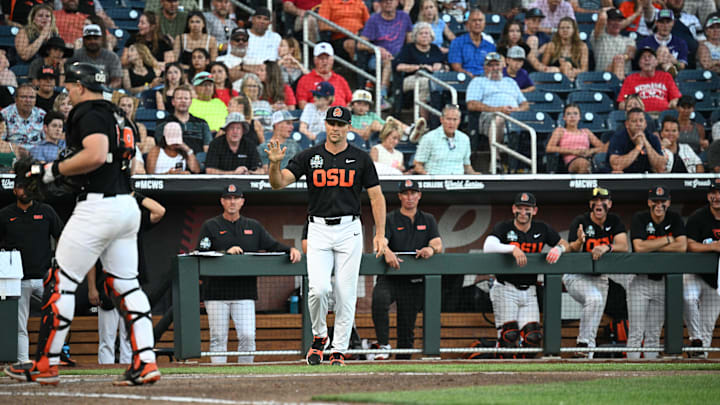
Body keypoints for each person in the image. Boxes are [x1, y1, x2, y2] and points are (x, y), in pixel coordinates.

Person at [4, 62, 160, 386]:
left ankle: (45, 364)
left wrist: (52, 170)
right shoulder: (119, 114)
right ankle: (146, 361)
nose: (66, 92)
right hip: (125, 205)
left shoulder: (89, 111)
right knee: (126, 285)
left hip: (98, 208)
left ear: (79, 86)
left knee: (59, 283)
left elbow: (96, 154)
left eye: (69, 86)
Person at [266, 105, 388, 366]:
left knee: (346, 293)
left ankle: (339, 350)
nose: (335, 128)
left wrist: (380, 234)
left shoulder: (361, 157)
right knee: (318, 290)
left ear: (348, 127)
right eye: (331, 123)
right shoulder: (310, 155)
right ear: (325, 125)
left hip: (349, 228)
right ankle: (320, 337)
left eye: (341, 124)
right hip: (318, 227)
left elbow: (377, 197)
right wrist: (274, 165)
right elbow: (277, 183)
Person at [197, 184, 301, 363]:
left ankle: (245, 373)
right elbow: (200, 252)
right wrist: (225, 253)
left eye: (236, 198)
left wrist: (290, 249)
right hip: (215, 292)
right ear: (222, 201)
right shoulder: (211, 226)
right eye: (228, 198)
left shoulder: (253, 226)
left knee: (247, 335)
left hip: (244, 291)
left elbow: (272, 245)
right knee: (218, 337)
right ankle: (217, 376)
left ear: (242, 201)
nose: (232, 202)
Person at [482, 192, 569, 357]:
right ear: (514, 209)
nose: (523, 212)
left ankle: (523, 377)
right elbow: (488, 246)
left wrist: (559, 249)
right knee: (509, 336)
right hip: (505, 287)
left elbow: (564, 243)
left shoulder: (542, 228)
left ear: (534, 210)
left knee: (533, 336)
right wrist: (512, 248)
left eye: (527, 208)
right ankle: (501, 376)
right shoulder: (504, 227)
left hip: (529, 291)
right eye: (520, 208)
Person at [88, 192, 166, 365]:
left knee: (128, 334)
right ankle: (105, 373)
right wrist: (92, 288)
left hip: (131, 283)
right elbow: (92, 259)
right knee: (107, 337)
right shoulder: (101, 224)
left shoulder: (134, 222)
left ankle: (128, 368)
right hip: (105, 285)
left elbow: (159, 211)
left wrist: (136, 196)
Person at [370, 179, 442, 360]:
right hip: (391, 277)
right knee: (379, 300)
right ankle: (383, 345)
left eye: (413, 193)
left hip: (413, 281)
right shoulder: (391, 218)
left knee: (407, 327)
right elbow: (381, 241)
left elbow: (437, 243)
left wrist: (430, 249)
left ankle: (403, 366)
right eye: (406, 193)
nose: (409, 197)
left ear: (419, 196)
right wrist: (386, 251)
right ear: (400, 196)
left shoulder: (428, 219)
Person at [0, 167, 63, 364]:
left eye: (28, 187)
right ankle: (23, 360)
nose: (24, 191)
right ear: (14, 190)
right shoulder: (5, 215)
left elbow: (61, 236)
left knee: (58, 315)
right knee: (20, 324)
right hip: (17, 279)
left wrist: (59, 263)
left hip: (45, 276)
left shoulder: (46, 211)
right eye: (21, 187)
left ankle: (53, 358)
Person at [565, 187, 629, 358]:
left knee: (596, 311)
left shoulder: (614, 221)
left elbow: (624, 245)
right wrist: (579, 241)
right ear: (590, 204)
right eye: (596, 200)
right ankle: (582, 344)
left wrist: (607, 247)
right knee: (594, 299)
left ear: (609, 204)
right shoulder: (581, 221)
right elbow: (571, 249)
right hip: (576, 275)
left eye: (603, 200)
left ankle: (586, 354)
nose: (599, 204)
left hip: (600, 278)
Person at [628, 186, 687, 359]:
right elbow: (639, 247)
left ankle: (649, 376)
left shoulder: (674, 218)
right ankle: (629, 375)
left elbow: (682, 246)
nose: (659, 205)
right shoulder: (640, 218)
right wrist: (668, 240)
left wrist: (652, 246)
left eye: (663, 201)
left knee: (654, 333)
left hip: (663, 282)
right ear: (649, 202)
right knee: (636, 332)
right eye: (655, 201)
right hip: (640, 282)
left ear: (668, 202)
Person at [683, 181, 720, 358]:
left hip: (716, 279)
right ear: (708, 196)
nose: (717, 197)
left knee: (708, 324)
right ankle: (695, 338)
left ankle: (699, 361)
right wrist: (713, 246)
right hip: (696, 274)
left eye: (719, 193)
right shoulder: (698, 217)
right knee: (688, 298)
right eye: (713, 193)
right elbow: (689, 245)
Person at [466, 52, 529, 148]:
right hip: (490, 116)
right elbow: (471, 105)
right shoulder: (478, 81)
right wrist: (498, 109)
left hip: (515, 115)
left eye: (497, 65)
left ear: (502, 66)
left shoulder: (510, 82)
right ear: (484, 68)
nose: (495, 68)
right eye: (490, 65)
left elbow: (525, 104)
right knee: (499, 119)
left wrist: (517, 110)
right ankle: (496, 158)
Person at [359, 0, 413, 104]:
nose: (388, 2)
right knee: (389, 62)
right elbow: (361, 44)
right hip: (377, 58)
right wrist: (377, 49)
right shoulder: (374, 19)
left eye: (391, 0)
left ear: (397, 2)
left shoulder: (404, 17)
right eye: (384, 1)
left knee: (395, 62)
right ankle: (382, 97)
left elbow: (410, 40)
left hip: (400, 56)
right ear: (380, 3)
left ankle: (393, 97)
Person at [394, 22, 446, 119]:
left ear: (431, 36)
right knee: (425, 83)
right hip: (411, 79)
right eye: (421, 33)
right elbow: (398, 66)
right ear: (415, 36)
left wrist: (440, 66)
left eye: (427, 33)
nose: (424, 36)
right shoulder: (409, 48)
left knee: (434, 83)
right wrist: (419, 67)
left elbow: (445, 66)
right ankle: (423, 120)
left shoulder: (435, 49)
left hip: (433, 78)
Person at [414, 104, 479, 174]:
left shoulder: (465, 139)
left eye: (455, 120)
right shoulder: (429, 138)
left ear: (459, 121)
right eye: (448, 119)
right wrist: (429, 177)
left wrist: (476, 175)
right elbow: (417, 165)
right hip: (436, 182)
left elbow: (466, 166)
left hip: (458, 183)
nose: (451, 123)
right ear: (441, 119)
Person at [617, 47, 681, 114]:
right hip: (640, 116)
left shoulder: (666, 76)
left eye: (650, 57)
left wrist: (672, 104)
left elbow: (676, 98)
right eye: (643, 57)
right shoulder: (631, 79)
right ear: (639, 63)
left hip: (663, 116)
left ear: (656, 62)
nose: (647, 59)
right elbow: (621, 104)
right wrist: (633, 107)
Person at [545, 104, 606, 173]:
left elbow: (603, 148)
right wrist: (574, 151)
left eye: (575, 114)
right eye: (568, 114)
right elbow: (549, 148)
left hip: (588, 159)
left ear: (579, 117)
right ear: (564, 117)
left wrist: (590, 151)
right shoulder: (560, 131)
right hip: (572, 162)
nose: (572, 117)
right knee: (582, 163)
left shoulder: (586, 131)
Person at [156, 84, 213, 155]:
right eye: (179, 98)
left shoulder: (202, 123)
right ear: (173, 102)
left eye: (186, 98)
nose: (183, 101)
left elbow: (207, 149)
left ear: (191, 102)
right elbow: (161, 149)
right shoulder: (164, 123)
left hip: (197, 163)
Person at [607, 108, 667, 173]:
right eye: (634, 121)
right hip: (624, 178)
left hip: (646, 178)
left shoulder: (652, 138)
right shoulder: (618, 138)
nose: (638, 124)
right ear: (627, 124)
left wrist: (646, 143)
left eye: (641, 121)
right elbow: (616, 166)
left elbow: (661, 167)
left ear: (645, 123)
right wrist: (638, 147)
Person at [295, 42, 353, 109]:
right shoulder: (305, 80)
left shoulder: (341, 80)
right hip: (317, 116)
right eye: (321, 58)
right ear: (315, 60)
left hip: (340, 116)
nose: (325, 62)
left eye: (327, 58)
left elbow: (350, 102)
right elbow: (302, 105)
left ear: (332, 60)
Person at [67, 24, 123, 89]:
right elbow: (68, 78)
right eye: (89, 39)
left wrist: (105, 90)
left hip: (104, 93)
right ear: (83, 40)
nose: (92, 41)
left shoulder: (112, 57)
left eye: (95, 38)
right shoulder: (75, 55)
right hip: (80, 92)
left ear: (101, 39)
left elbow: (117, 81)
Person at [448, 8, 497, 78]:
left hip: (486, 80)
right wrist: (470, 76)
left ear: (484, 24)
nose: (477, 23)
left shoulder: (491, 47)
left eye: (480, 20)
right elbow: (456, 67)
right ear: (468, 24)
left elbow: (492, 67)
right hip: (465, 79)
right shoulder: (457, 43)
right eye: (474, 20)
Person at [637, 9, 689, 74]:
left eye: (668, 22)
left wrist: (675, 61)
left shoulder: (680, 43)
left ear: (673, 23)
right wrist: (656, 61)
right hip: (651, 77)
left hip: (675, 79)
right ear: (656, 23)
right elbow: (640, 65)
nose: (665, 25)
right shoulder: (645, 42)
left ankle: (669, 71)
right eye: (661, 22)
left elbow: (682, 65)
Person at [592, 8, 636, 80]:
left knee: (618, 61)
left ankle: (619, 84)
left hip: (624, 77)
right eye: (613, 20)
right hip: (602, 78)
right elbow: (602, 18)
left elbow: (631, 53)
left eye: (619, 21)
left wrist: (622, 57)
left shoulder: (628, 40)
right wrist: (605, 10)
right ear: (607, 22)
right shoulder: (599, 37)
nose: (617, 23)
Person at [1, 83, 46, 153]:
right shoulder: (5, 114)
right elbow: (1, 142)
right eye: (23, 97)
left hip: (38, 154)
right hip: (13, 154)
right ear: (16, 99)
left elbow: (47, 140)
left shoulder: (42, 115)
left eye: (31, 97)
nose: (28, 100)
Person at [541, 17, 588, 81]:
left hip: (575, 77)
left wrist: (574, 71)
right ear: (558, 30)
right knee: (566, 66)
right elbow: (543, 67)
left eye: (568, 28)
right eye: (562, 28)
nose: (565, 30)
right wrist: (559, 69)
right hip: (555, 77)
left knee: (567, 65)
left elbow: (584, 69)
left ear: (574, 30)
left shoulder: (582, 46)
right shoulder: (551, 46)